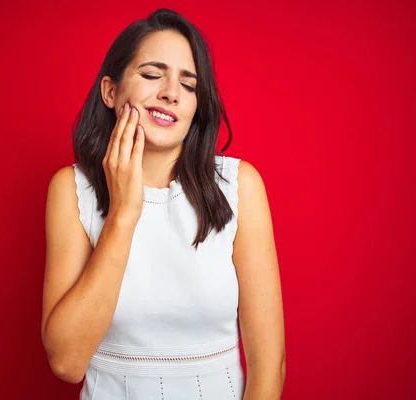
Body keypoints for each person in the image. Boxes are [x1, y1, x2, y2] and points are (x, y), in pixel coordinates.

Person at [41, 8, 285, 399]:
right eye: (153, 74)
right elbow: (67, 363)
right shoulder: (72, 190)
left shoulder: (240, 186)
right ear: (110, 91)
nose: (171, 92)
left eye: (189, 85)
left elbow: (268, 362)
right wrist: (123, 214)